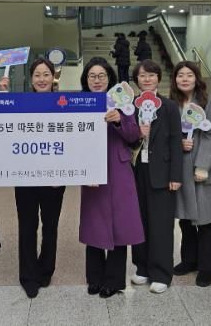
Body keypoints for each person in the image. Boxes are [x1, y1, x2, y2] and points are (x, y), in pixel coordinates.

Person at [0, 57, 65, 298]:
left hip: (54, 177)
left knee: (51, 225)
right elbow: (2, 123)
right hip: (25, 175)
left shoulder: (64, 103)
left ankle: (46, 269)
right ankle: (28, 275)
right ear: (31, 79)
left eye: (46, 74)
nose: (42, 79)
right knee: (27, 226)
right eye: (37, 75)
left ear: (53, 77)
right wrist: (3, 96)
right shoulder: (21, 101)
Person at [79, 57, 144, 298]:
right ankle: (94, 278)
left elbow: (134, 135)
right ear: (86, 80)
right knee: (94, 223)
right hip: (91, 169)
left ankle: (114, 281)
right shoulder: (80, 102)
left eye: (102, 76)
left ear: (110, 78)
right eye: (92, 76)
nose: (97, 80)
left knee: (120, 225)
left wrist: (119, 120)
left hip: (118, 168)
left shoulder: (122, 101)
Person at [130, 59, 183, 294]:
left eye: (151, 75)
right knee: (138, 221)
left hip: (162, 173)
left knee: (161, 224)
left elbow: (175, 142)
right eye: (142, 75)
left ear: (158, 78)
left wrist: (176, 175)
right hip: (136, 172)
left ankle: (161, 273)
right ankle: (142, 267)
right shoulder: (131, 106)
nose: (147, 79)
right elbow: (125, 137)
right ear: (137, 80)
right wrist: (138, 134)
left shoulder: (169, 107)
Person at [169, 61, 211, 287]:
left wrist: (202, 166)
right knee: (185, 220)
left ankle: (206, 266)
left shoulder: (209, 103)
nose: (185, 79)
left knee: (205, 221)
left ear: (197, 78)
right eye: (180, 75)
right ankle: (189, 260)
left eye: (189, 75)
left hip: (202, 170)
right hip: (180, 169)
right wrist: (178, 143)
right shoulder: (172, 104)